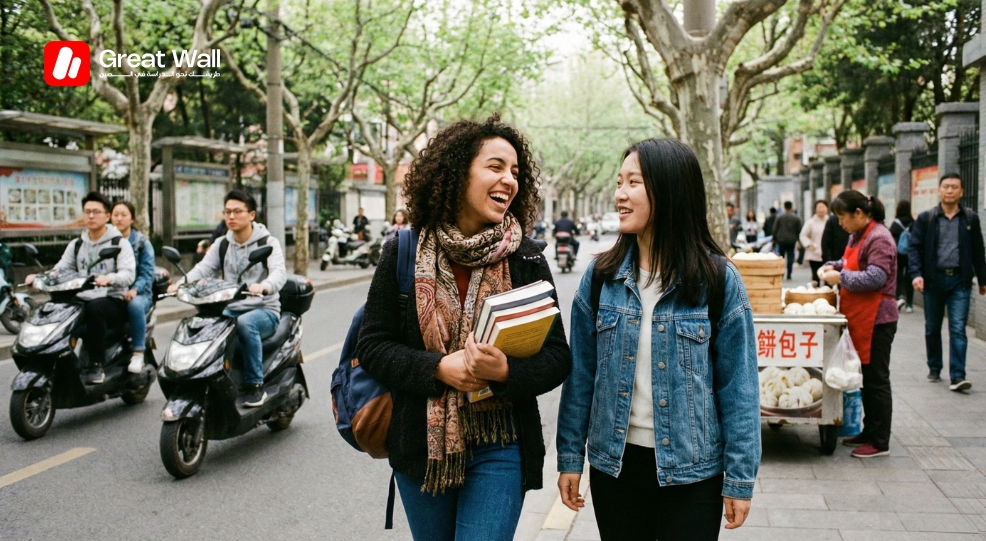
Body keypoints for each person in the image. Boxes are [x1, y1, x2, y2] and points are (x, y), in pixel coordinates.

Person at [355, 115, 571, 541]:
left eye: (515, 172)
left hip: (501, 443)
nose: (508, 180)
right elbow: (374, 345)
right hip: (422, 448)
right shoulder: (403, 251)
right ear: (456, 174)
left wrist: (505, 372)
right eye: (495, 167)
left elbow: (558, 357)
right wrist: (438, 369)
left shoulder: (526, 258)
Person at [556, 138, 760, 540]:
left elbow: (739, 388)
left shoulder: (716, 281)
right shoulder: (601, 279)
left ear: (669, 191)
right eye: (619, 182)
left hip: (692, 472)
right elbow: (580, 376)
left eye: (633, 182)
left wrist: (740, 477)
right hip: (615, 467)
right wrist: (570, 457)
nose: (620, 194)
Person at [167, 190, 287, 407]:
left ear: (251, 215)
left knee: (245, 323)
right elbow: (203, 268)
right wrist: (181, 283)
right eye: (227, 212)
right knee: (205, 326)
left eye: (237, 211)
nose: (231, 216)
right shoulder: (222, 243)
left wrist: (265, 286)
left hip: (264, 310)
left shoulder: (267, 242)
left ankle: (254, 385)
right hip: (229, 306)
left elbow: (279, 272)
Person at [26, 192, 136, 384]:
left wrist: (109, 278)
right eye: (87, 212)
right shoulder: (77, 244)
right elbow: (60, 269)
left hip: (112, 300)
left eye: (96, 212)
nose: (91, 216)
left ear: (107, 216)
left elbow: (128, 274)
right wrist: (39, 277)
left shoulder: (119, 243)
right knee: (56, 310)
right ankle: (56, 362)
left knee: (95, 309)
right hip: (83, 298)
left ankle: (95, 365)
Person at [819, 191, 897, 458]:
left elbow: (875, 277)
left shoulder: (880, 238)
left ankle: (879, 441)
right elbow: (849, 262)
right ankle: (868, 430)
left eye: (843, 217)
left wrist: (840, 277)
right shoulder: (858, 235)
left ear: (859, 214)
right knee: (865, 377)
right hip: (860, 317)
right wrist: (833, 265)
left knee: (876, 379)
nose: (840, 223)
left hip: (878, 319)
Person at [907, 173, 986, 391]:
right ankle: (934, 366)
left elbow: (978, 250)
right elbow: (915, 248)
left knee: (958, 328)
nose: (950, 191)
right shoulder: (927, 218)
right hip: (933, 281)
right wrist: (916, 274)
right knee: (932, 327)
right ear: (939, 190)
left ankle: (958, 375)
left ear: (961, 192)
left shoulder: (970, 218)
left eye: (954, 187)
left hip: (959, 281)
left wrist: (982, 279)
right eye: (946, 187)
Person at [110, 201, 156, 374]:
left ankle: (138, 352)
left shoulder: (142, 243)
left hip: (139, 293)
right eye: (116, 215)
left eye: (124, 215)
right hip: (112, 291)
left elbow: (147, 273)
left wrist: (134, 289)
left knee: (135, 305)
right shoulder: (106, 240)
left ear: (132, 219)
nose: (119, 219)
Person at [889, 200, 914, 313]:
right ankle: (909, 304)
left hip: (898, 253)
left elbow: (889, 237)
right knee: (909, 277)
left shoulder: (896, 224)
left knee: (898, 275)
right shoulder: (913, 222)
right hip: (911, 253)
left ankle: (899, 297)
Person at [799, 200, 829, 286]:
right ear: (815, 209)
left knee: (827, 278)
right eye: (819, 207)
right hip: (814, 254)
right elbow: (803, 235)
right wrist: (809, 244)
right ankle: (816, 296)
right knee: (816, 278)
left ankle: (828, 296)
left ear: (827, 208)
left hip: (827, 254)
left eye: (823, 207)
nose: (821, 209)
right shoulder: (810, 222)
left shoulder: (830, 221)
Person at [772, 201, 802, 280]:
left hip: (781, 240)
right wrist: (799, 240)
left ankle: (781, 273)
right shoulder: (796, 218)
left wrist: (774, 239)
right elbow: (799, 230)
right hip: (792, 240)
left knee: (781, 257)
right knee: (790, 257)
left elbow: (775, 229)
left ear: (784, 207)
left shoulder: (780, 217)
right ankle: (789, 273)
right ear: (791, 207)